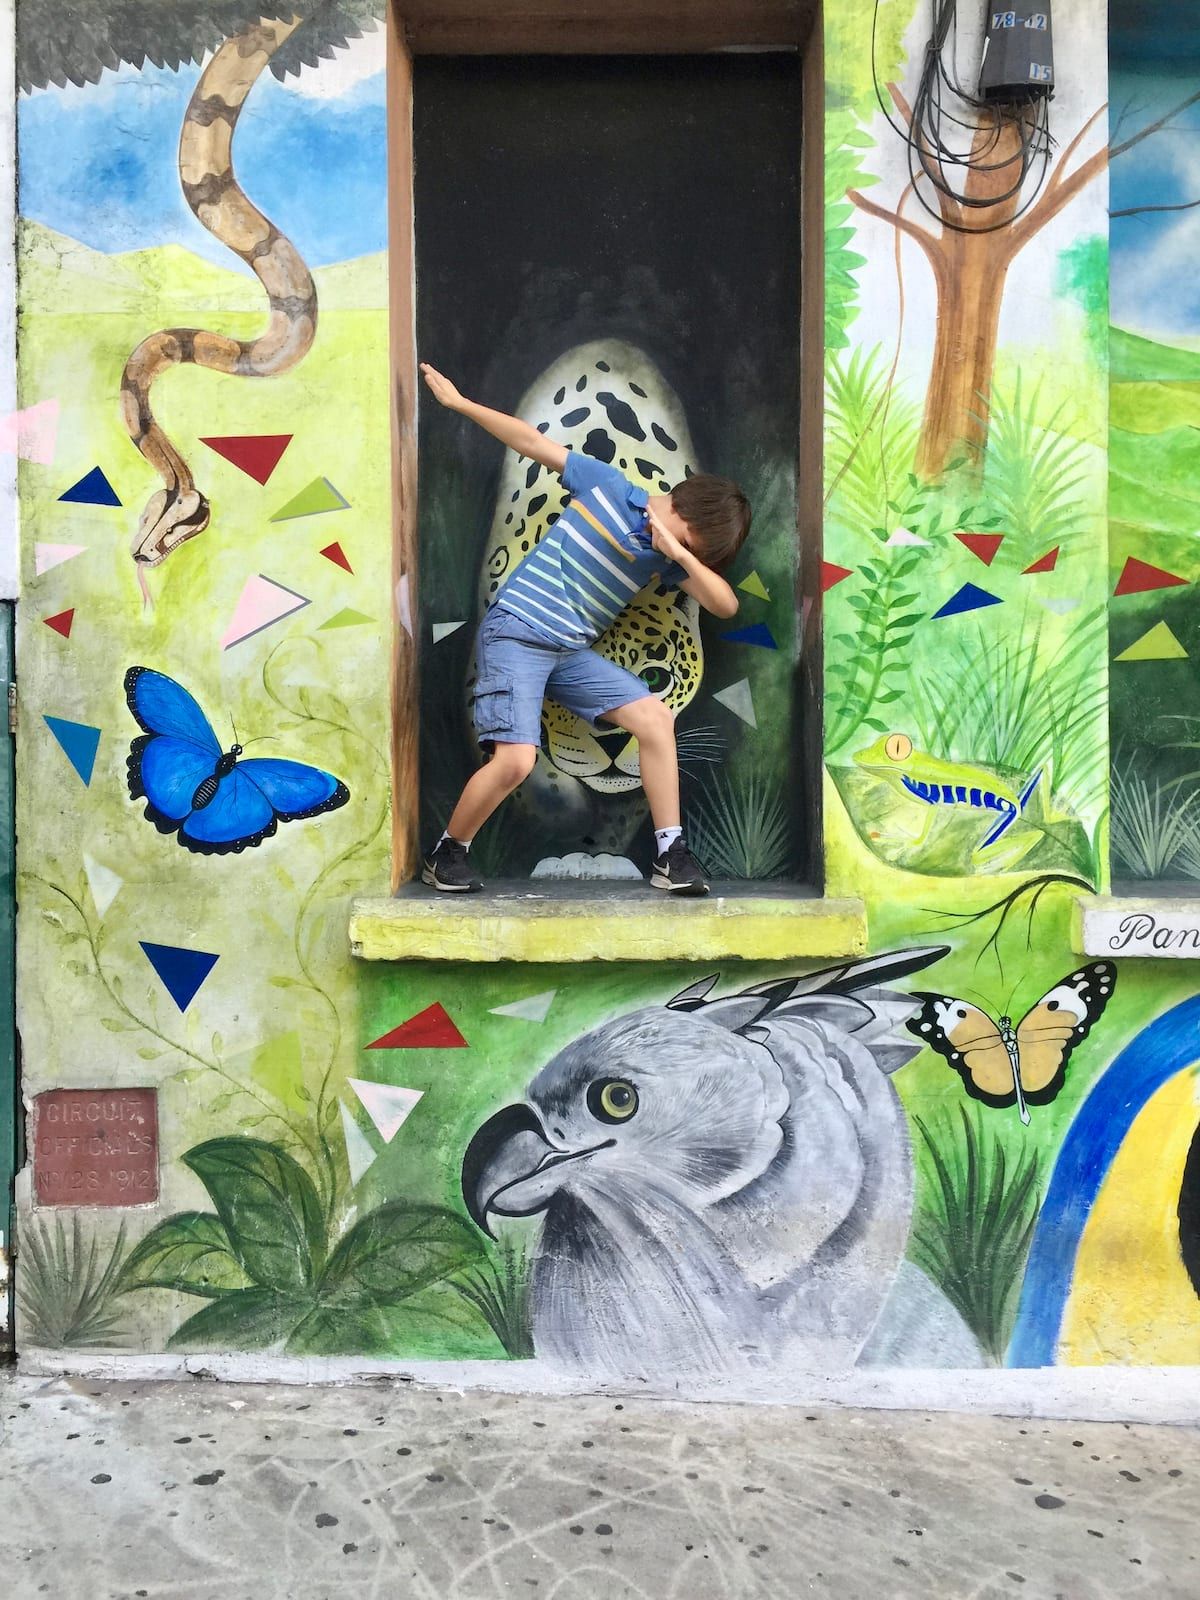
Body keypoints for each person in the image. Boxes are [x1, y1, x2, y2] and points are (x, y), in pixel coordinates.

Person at [418, 362, 752, 896]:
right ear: (681, 502)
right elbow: (529, 440)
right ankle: (447, 855)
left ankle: (670, 855)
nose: (685, 552)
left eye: (696, 553)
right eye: (690, 540)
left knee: (654, 719)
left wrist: (679, 556)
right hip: (518, 632)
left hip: (566, 653)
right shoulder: (607, 487)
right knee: (517, 761)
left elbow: (726, 605)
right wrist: (460, 405)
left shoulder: (666, 560)